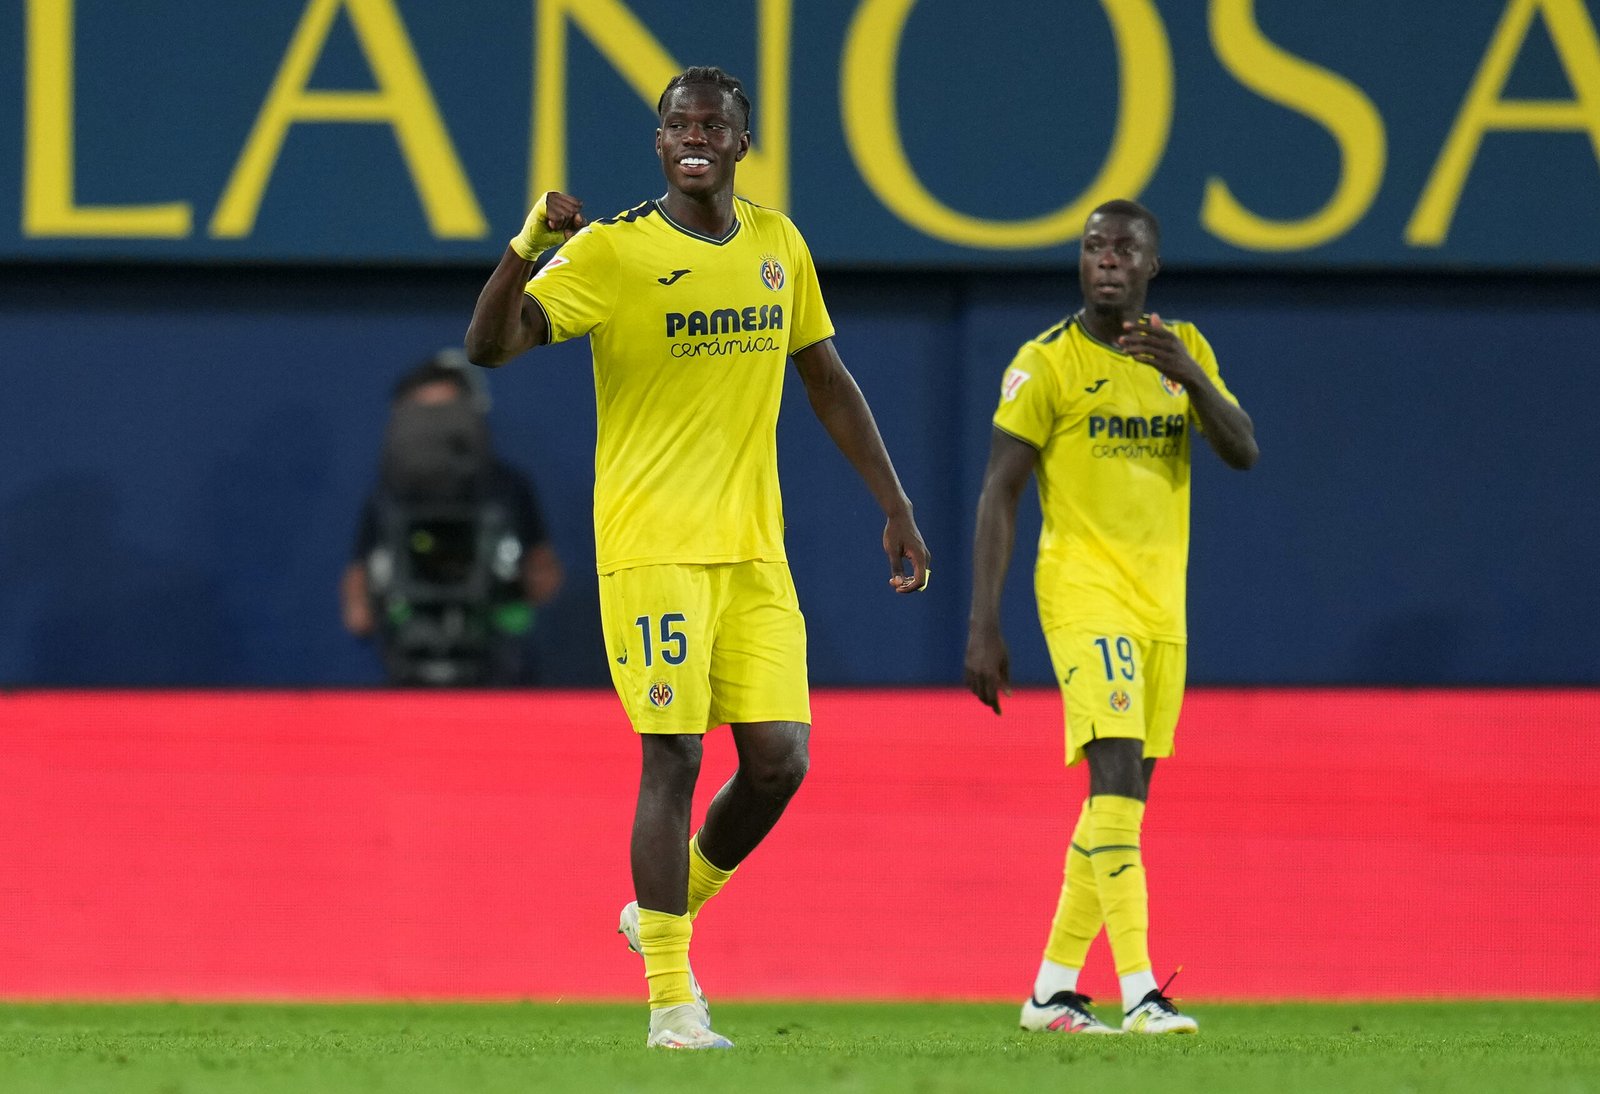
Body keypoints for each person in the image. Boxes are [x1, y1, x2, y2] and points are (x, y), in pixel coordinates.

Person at [464, 66, 930, 1049]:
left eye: (713, 124)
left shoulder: (777, 245)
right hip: (652, 546)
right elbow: (488, 346)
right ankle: (673, 1001)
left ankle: (658, 915)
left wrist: (891, 501)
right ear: (660, 139)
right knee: (672, 755)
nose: (695, 136)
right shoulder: (613, 252)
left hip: (752, 550)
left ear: (741, 143)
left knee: (778, 761)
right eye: (679, 121)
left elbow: (827, 379)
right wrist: (526, 248)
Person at [964, 199, 1257, 1036]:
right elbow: (1000, 491)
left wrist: (1192, 377)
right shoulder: (1046, 364)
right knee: (1116, 784)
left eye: (1126, 249)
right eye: (1095, 247)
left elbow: (1242, 449)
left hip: (1162, 606)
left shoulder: (1184, 351)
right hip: (1083, 594)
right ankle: (1141, 993)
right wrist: (984, 621)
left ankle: (1051, 990)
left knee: (1117, 807)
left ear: (1152, 266)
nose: (1108, 260)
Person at [340, 354, 564, 685]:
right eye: (424, 416)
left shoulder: (510, 488)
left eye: (446, 414)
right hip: (410, 664)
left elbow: (543, 576)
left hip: (498, 665)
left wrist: (511, 588)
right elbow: (358, 600)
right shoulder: (386, 498)